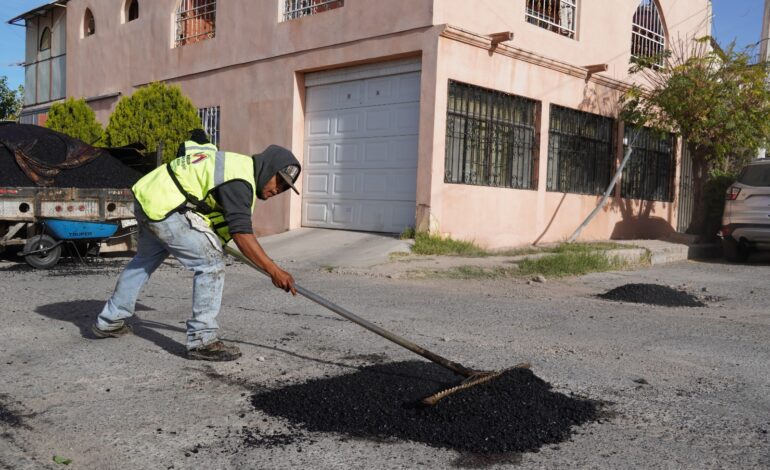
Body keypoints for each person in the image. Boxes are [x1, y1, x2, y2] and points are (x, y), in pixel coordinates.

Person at [92, 143, 301, 361]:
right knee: (211, 263)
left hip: (149, 196)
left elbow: (220, 218)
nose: (278, 190)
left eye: (285, 188)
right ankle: (203, 339)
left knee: (143, 261)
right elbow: (241, 234)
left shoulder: (238, 166)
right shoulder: (240, 180)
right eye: (279, 181)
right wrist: (274, 270)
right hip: (166, 206)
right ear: (268, 168)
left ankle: (109, 320)